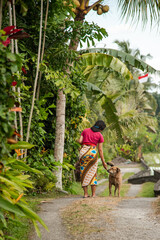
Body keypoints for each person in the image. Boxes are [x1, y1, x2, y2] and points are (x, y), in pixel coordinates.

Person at [77, 120, 107, 198]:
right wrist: (103, 162)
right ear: (101, 129)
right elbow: (100, 150)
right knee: (93, 173)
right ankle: (93, 194)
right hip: (92, 153)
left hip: (83, 152)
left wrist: (81, 142)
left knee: (83, 172)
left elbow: (80, 141)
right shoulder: (99, 135)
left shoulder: (85, 130)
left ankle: (85, 194)